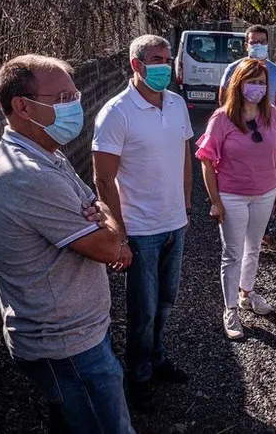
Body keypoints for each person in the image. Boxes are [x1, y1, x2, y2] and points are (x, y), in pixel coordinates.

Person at [0, 55, 135, 434]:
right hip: (67, 347)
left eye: (75, 94)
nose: (74, 105)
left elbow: (96, 208)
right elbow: (108, 246)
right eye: (63, 96)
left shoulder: (47, 154)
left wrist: (103, 216)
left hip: (73, 337)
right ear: (23, 106)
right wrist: (110, 223)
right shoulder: (28, 176)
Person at [92, 34, 193, 401]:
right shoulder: (117, 112)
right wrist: (118, 234)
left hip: (173, 224)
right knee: (143, 309)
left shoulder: (178, 105)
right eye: (156, 59)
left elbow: (185, 153)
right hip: (140, 230)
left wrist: (185, 205)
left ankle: (156, 358)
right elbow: (103, 178)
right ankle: (137, 377)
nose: (164, 66)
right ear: (137, 65)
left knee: (165, 302)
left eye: (167, 59)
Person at [198, 58, 276, 339]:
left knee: (254, 248)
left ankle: (246, 293)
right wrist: (215, 200)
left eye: (262, 83)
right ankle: (231, 310)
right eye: (252, 82)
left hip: (265, 192)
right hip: (232, 196)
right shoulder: (222, 118)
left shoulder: (271, 114)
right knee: (233, 253)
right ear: (238, 84)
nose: (257, 88)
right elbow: (206, 159)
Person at [219, 24, 276, 254]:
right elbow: (223, 102)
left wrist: (264, 125)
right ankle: (238, 233)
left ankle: (261, 233)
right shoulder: (232, 69)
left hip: (264, 136)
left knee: (265, 182)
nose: (258, 45)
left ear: (268, 44)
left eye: (262, 41)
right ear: (246, 44)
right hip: (238, 135)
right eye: (253, 42)